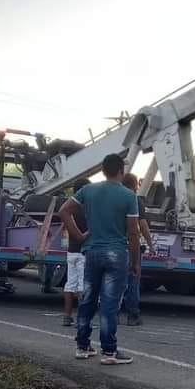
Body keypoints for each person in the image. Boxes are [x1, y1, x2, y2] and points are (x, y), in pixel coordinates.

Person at [59, 153, 141, 364]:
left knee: (87, 299)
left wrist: (78, 235)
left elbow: (64, 211)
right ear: (121, 171)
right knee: (110, 304)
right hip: (116, 252)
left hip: (91, 250)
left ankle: (82, 346)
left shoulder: (88, 190)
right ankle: (109, 352)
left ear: (103, 170)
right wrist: (135, 261)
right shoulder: (128, 196)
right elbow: (133, 232)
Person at [121, 173, 154, 326]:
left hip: (115, 245)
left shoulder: (115, 198)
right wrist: (150, 244)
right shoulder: (135, 200)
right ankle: (133, 315)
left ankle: (112, 314)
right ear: (135, 185)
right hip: (131, 246)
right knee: (133, 279)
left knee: (114, 281)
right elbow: (142, 226)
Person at [61, 178, 92, 328]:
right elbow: (90, 229)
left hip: (71, 251)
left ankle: (67, 316)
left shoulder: (69, 209)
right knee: (82, 286)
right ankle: (82, 318)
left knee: (70, 284)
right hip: (83, 252)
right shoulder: (86, 209)